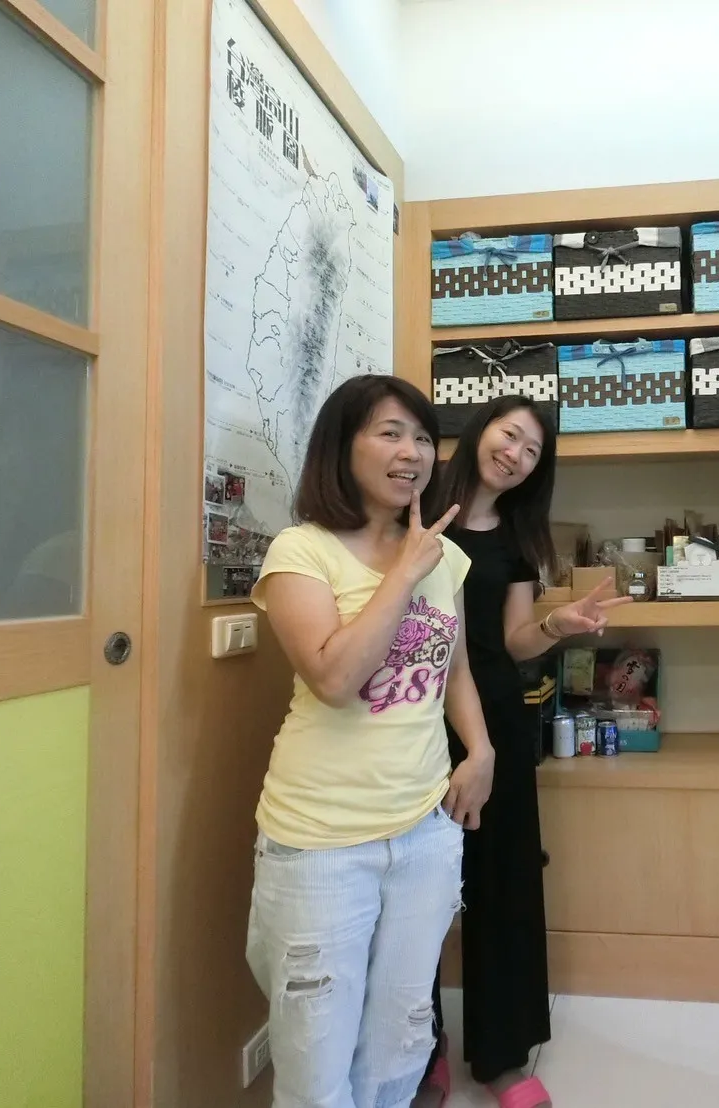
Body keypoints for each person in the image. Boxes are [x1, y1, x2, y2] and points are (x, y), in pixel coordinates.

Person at [245, 375, 496, 1108]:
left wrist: (480, 750)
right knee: (316, 1060)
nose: (412, 452)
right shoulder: (301, 551)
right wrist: (404, 571)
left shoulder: (444, 557)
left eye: (422, 438)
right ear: (341, 445)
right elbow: (333, 677)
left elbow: (454, 669)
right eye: (390, 433)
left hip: (423, 831)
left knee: (401, 1040)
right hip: (320, 841)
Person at [414, 396, 629, 1108]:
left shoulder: (513, 540)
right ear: (481, 431)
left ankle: (501, 1058)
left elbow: (512, 641)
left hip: (497, 720)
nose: (515, 454)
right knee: (412, 890)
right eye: (510, 436)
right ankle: (421, 1053)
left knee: (501, 883)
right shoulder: (415, 506)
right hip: (412, 715)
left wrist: (557, 625)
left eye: (532, 451)